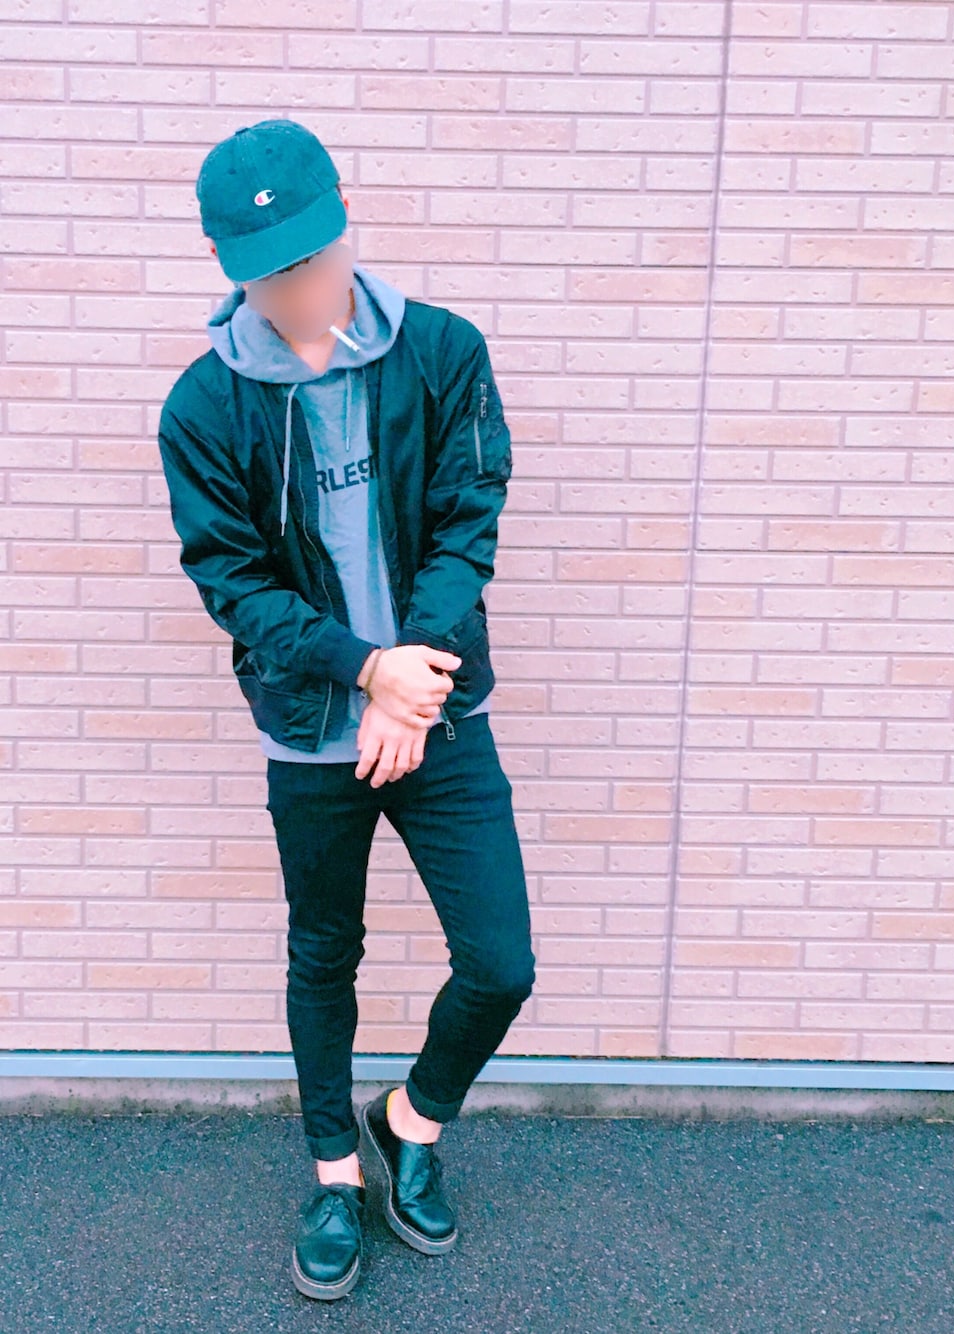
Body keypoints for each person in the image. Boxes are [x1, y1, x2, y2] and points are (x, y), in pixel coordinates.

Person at [157, 118, 537, 1301]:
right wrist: (363, 670)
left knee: (501, 960)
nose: (301, 289)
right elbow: (234, 583)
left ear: (345, 223)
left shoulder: (441, 352)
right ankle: (334, 1172)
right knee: (324, 951)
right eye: (273, 274)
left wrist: (410, 680)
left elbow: (469, 516)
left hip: (437, 707)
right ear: (230, 266)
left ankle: (409, 1122)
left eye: (315, 259)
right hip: (309, 726)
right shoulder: (204, 406)